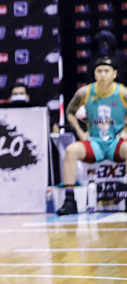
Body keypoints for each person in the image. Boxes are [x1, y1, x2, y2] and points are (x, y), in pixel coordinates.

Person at [56, 56, 127, 215]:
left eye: (107, 71)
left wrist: (126, 130)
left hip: (116, 141)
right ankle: (70, 200)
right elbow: (69, 112)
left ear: (114, 74)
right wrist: (80, 132)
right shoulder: (84, 92)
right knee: (71, 151)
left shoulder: (122, 92)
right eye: (99, 71)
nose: (103, 74)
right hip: (94, 142)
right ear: (94, 74)